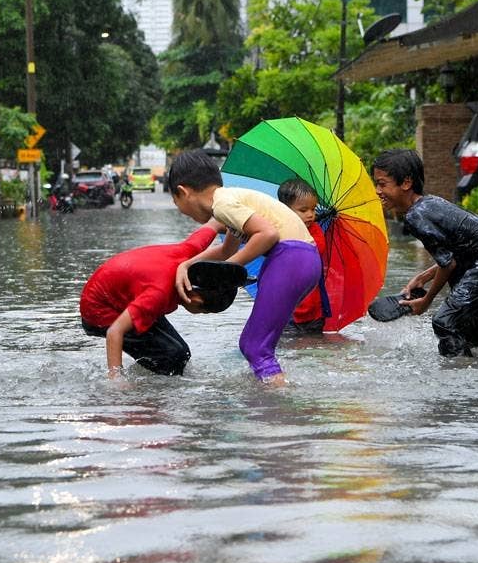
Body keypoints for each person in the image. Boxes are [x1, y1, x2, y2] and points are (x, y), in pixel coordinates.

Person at [168, 149, 321, 386]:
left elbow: (267, 234)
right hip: (304, 260)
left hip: (290, 258)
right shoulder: (230, 200)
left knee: (255, 346)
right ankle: (272, 393)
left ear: (182, 192)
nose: (182, 212)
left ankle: (280, 408)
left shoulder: (223, 204)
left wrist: (226, 270)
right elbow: (226, 251)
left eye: (177, 204)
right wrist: (187, 264)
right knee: (254, 343)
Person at [372, 149, 478, 357]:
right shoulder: (429, 203)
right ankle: (476, 372)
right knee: (465, 325)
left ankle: (458, 377)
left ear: (406, 183)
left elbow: (448, 264)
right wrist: (423, 277)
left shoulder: (416, 216)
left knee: (444, 321)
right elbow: (456, 252)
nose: (377, 190)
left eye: (382, 183)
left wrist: (426, 301)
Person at [80, 220, 239, 378]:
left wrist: (239, 227)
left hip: (125, 296)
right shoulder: (159, 294)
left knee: (182, 354)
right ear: (196, 300)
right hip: (100, 313)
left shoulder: (190, 254)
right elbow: (115, 331)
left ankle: (152, 373)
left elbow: (216, 222)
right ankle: (151, 395)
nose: (200, 314)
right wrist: (116, 380)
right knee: (171, 357)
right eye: (204, 312)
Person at [276, 178, 329, 333]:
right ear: (284, 210)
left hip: (313, 305)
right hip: (287, 304)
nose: (310, 215)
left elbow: (316, 249)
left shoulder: (315, 230)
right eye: (303, 210)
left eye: (313, 209)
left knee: (312, 340)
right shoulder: (277, 229)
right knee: (287, 341)